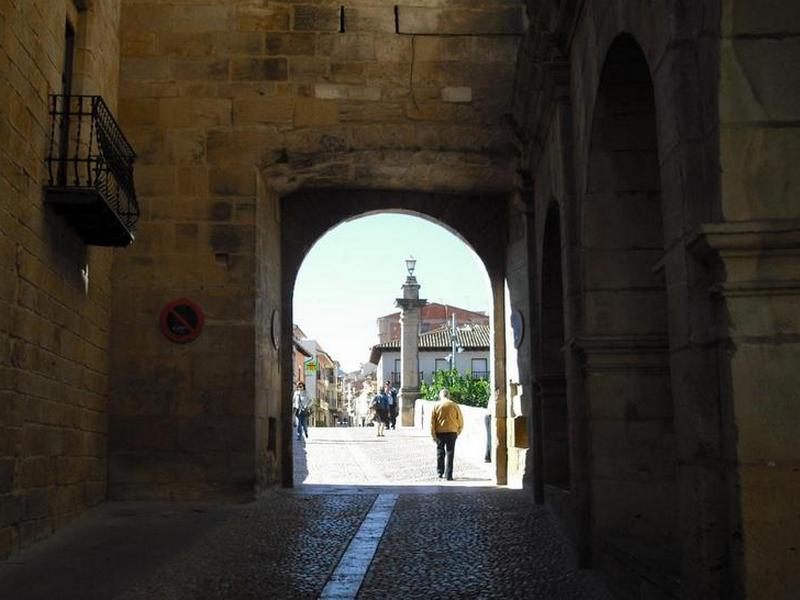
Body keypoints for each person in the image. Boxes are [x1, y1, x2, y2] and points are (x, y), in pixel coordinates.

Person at [430, 388, 464, 480]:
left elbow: (432, 422)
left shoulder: (436, 405)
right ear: (448, 395)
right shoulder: (454, 405)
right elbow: (460, 419)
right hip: (452, 432)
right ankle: (449, 475)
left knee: (440, 452)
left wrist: (433, 434)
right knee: (450, 453)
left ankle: (440, 472)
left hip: (440, 432)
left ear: (440, 396)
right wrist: (458, 431)